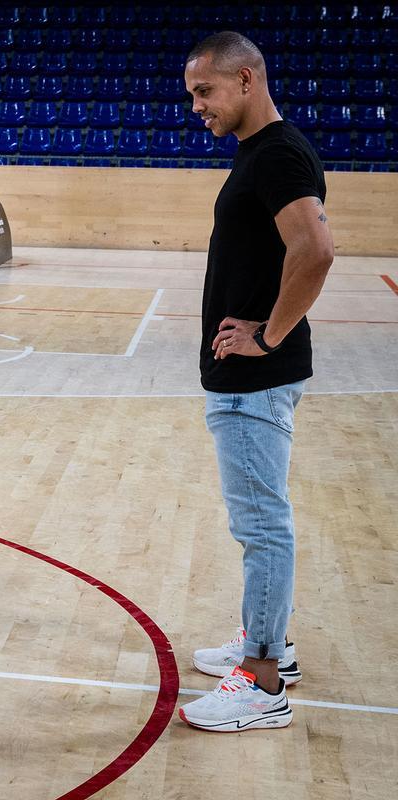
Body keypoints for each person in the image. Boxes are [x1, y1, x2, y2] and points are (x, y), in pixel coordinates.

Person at [177, 31, 335, 732]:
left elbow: (316, 250)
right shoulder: (262, 152)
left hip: (255, 378)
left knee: (262, 527)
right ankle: (270, 641)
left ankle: (263, 680)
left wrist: (267, 335)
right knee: (261, 521)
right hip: (249, 376)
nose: (197, 106)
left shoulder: (276, 154)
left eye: (204, 91)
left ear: (246, 79)